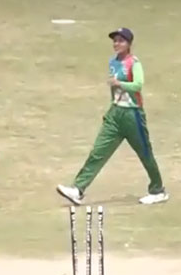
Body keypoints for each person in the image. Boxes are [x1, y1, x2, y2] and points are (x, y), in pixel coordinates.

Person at [57, 27, 168, 206]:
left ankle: (158, 190)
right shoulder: (113, 62)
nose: (116, 44)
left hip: (132, 114)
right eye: (115, 41)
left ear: (129, 44)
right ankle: (78, 188)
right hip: (115, 113)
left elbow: (138, 85)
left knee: (145, 153)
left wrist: (120, 83)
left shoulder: (134, 63)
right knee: (98, 151)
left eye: (120, 41)